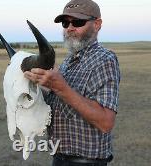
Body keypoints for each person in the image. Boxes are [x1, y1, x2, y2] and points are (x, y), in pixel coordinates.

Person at [24, 0, 120, 165]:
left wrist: (61, 87)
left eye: (78, 22)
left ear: (97, 24)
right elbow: (61, 104)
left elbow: (106, 122)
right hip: (59, 157)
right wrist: (39, 86)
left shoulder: (105, 59)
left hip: (86, 162)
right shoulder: (68, 61)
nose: (69, 27)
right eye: (65, 22)